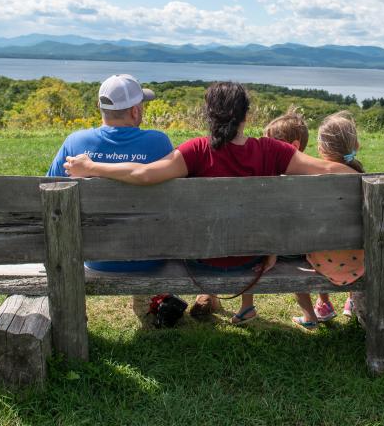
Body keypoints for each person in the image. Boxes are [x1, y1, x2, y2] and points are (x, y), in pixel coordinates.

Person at [64, 82, 356, 325]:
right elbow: (329, 170)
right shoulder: (272, 151)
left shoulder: (196, 151)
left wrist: (93, 167)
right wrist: (366, 177)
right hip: (252, 260)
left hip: (200, 260)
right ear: (246, 117)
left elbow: (142, 174)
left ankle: (209, 298)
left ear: (209, 116)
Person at [48, 73, 173, 273]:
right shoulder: (159, 142)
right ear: (134, 111)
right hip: (150, 256)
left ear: (100, 107)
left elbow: (49, 189)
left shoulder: (75, 143)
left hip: (94, 257)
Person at [289, 110, 365, 330]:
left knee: (316, 244)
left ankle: (321, 304)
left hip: (323, 261)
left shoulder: (313, 182)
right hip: (360, 262)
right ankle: (351, 300)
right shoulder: (365, 178)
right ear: (355, 145)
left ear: (321, 148)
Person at [263, 109, 338, 325]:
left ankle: (309, 316)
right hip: (319, 247)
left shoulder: (278, 181)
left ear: (292, 147)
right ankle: (324, 302)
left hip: (290, 251)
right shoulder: (317, 173)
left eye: (272, 145)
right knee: (312, 249)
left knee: (293, 258)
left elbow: (277, 225)